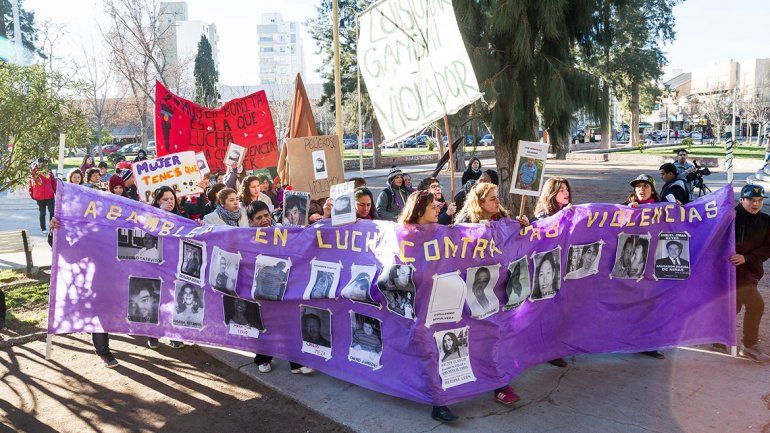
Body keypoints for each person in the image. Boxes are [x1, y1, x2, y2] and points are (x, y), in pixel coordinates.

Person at [245, 201, 313, 374]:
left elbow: (301, 241)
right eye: (258, 218)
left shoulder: (284, 231)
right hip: (262, 290)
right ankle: (263, 358)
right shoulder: (246, 238)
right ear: (251, 221)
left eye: (266, 215)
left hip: (284, 287)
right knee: (265, 324)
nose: (264, 220)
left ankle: (296, 363)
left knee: (290, 324)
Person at [729, 184, 770, 363]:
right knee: (756, 305)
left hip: (751, 271)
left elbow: (768, 248)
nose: (756, 204)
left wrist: (747, 257)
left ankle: (718, 339)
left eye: (760, 200)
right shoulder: (729, 216)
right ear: (741, 200)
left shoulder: (766, 221)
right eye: (751, 200)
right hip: (729, 271)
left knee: (734, 306)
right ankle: (749, 346)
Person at [28, 161, 56, 233]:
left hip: (49, 195)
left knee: (52, 213)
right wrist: (32, 194)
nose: (42, 164)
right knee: (42, 213)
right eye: (40, 163)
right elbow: (31, 183)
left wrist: (56, 192)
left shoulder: (48, 171)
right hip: (40, 197)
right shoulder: (34, 171)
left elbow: (53, 181)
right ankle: (43, 228)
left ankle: (51, 227)